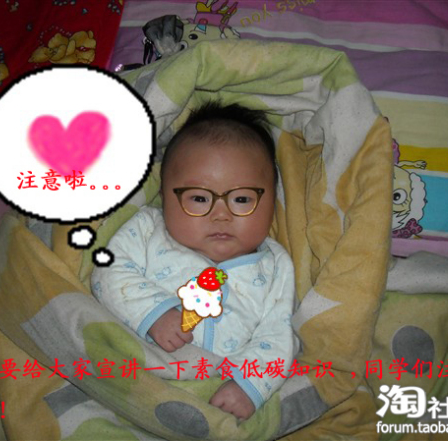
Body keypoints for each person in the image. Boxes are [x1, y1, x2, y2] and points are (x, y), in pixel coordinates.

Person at [91, 102, 298, 420]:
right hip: (135, 378)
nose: (221, 214)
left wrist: (248, 385)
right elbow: (109, 273)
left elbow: (278, 334)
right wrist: (154, 313)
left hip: (217, 394)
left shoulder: (275, 265)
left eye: (242, 199)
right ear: (165, 196)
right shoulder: (148, 231)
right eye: (199, 198)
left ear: (273, 201)